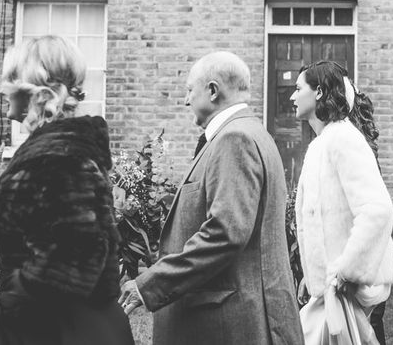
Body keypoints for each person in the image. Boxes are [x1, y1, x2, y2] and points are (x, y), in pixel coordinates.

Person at [119, 50, 304, 345]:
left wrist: (149, 285)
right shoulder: (249, 132)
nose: (185, 100)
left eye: (189, 90)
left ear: (213, 91)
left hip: (233, 324)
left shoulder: (235, 139)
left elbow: (225, 233)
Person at [0, 35, 134, 345]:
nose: (5, 99)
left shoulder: (61, 157)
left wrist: (0, 299)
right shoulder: (55, 150)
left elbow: (72, 256)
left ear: (36, 93)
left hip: (63, 328)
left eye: (11, 86)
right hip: (48, 318)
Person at [291, 61, 393, 345]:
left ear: (319, 92)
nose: (292, 96)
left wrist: (343, 272)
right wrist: (312, 272)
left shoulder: (343, 139)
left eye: (298, 88)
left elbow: (377, 211)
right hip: (332, 291)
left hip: (350, 292)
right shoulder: (324, 142)